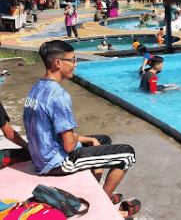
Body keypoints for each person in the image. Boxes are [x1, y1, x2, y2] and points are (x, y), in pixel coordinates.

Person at [23, 40, 136, 200]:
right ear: (58, 63)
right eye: (72, 60)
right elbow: (69, 146)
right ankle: (102, 200)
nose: (75, 65)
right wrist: (81, 140)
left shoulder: (36, 88)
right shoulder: (59, 95)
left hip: (40, 158)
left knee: (102, 140)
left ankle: (95, 187)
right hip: (56, 163)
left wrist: (89, 139)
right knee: (127, 155)